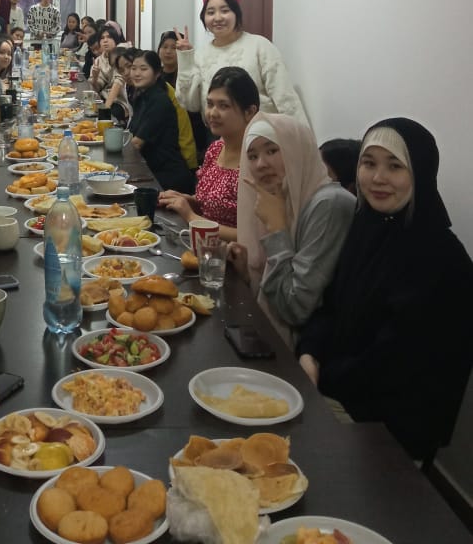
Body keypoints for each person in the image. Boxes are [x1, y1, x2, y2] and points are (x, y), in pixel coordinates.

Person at [297, 118, 473, 462]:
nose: (378, 178)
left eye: (395, 166)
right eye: (369, 163)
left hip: (388, 429)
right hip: (341, 393)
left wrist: (322, 377)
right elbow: (332, 305)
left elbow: (397, 363)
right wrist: (309, 353)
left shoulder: (442, 259)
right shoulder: (368, 225)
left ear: (420, 173)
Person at [229, 114, 355, 344]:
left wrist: (277, 228)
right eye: (252, 156)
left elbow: (295, 308)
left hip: (310, 353)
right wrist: (246, 275)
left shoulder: (330, 203)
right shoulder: (281, 197)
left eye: (272, 150)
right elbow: (274, 293)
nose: (261, 164)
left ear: (297, 149)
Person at [174, 0, 309, 126]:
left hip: (261, 133)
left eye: (225, 10)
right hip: (219, 134)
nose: (217, 18)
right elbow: (190, 104)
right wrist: (185, 58)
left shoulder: (259, 45)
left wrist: (301, 135)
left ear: (236, 14)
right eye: (211, 12)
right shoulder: (200, 55)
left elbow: (285, 97)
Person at [159, 67, 259, 239]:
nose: (212, 113)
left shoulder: (257, 161)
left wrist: (191, 217)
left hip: (234, 253)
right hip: (203, 245)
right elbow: (210, 205)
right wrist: (187, 200)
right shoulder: (215, 149)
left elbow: (254, 235)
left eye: (224, 106)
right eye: (210, 104)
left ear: (249, 112)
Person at [128, 51, 197, 193]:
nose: (137, 73)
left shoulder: (160, 101)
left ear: (157, 73)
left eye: (143, 69)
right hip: (150, 170)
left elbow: (137, 143)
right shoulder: (141, 97)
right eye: (134, 68)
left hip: (168, 178)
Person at [90, 26, 131, 122]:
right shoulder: (99, 60)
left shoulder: (122, 55)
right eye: (102, 38)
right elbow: (96, 89)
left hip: (119, 101)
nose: (105, 40)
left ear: (116, 40)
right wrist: (95, 77)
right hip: (103, 98)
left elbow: (118, 83)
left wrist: (105, 109)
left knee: (111, 114)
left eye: (109, 37)